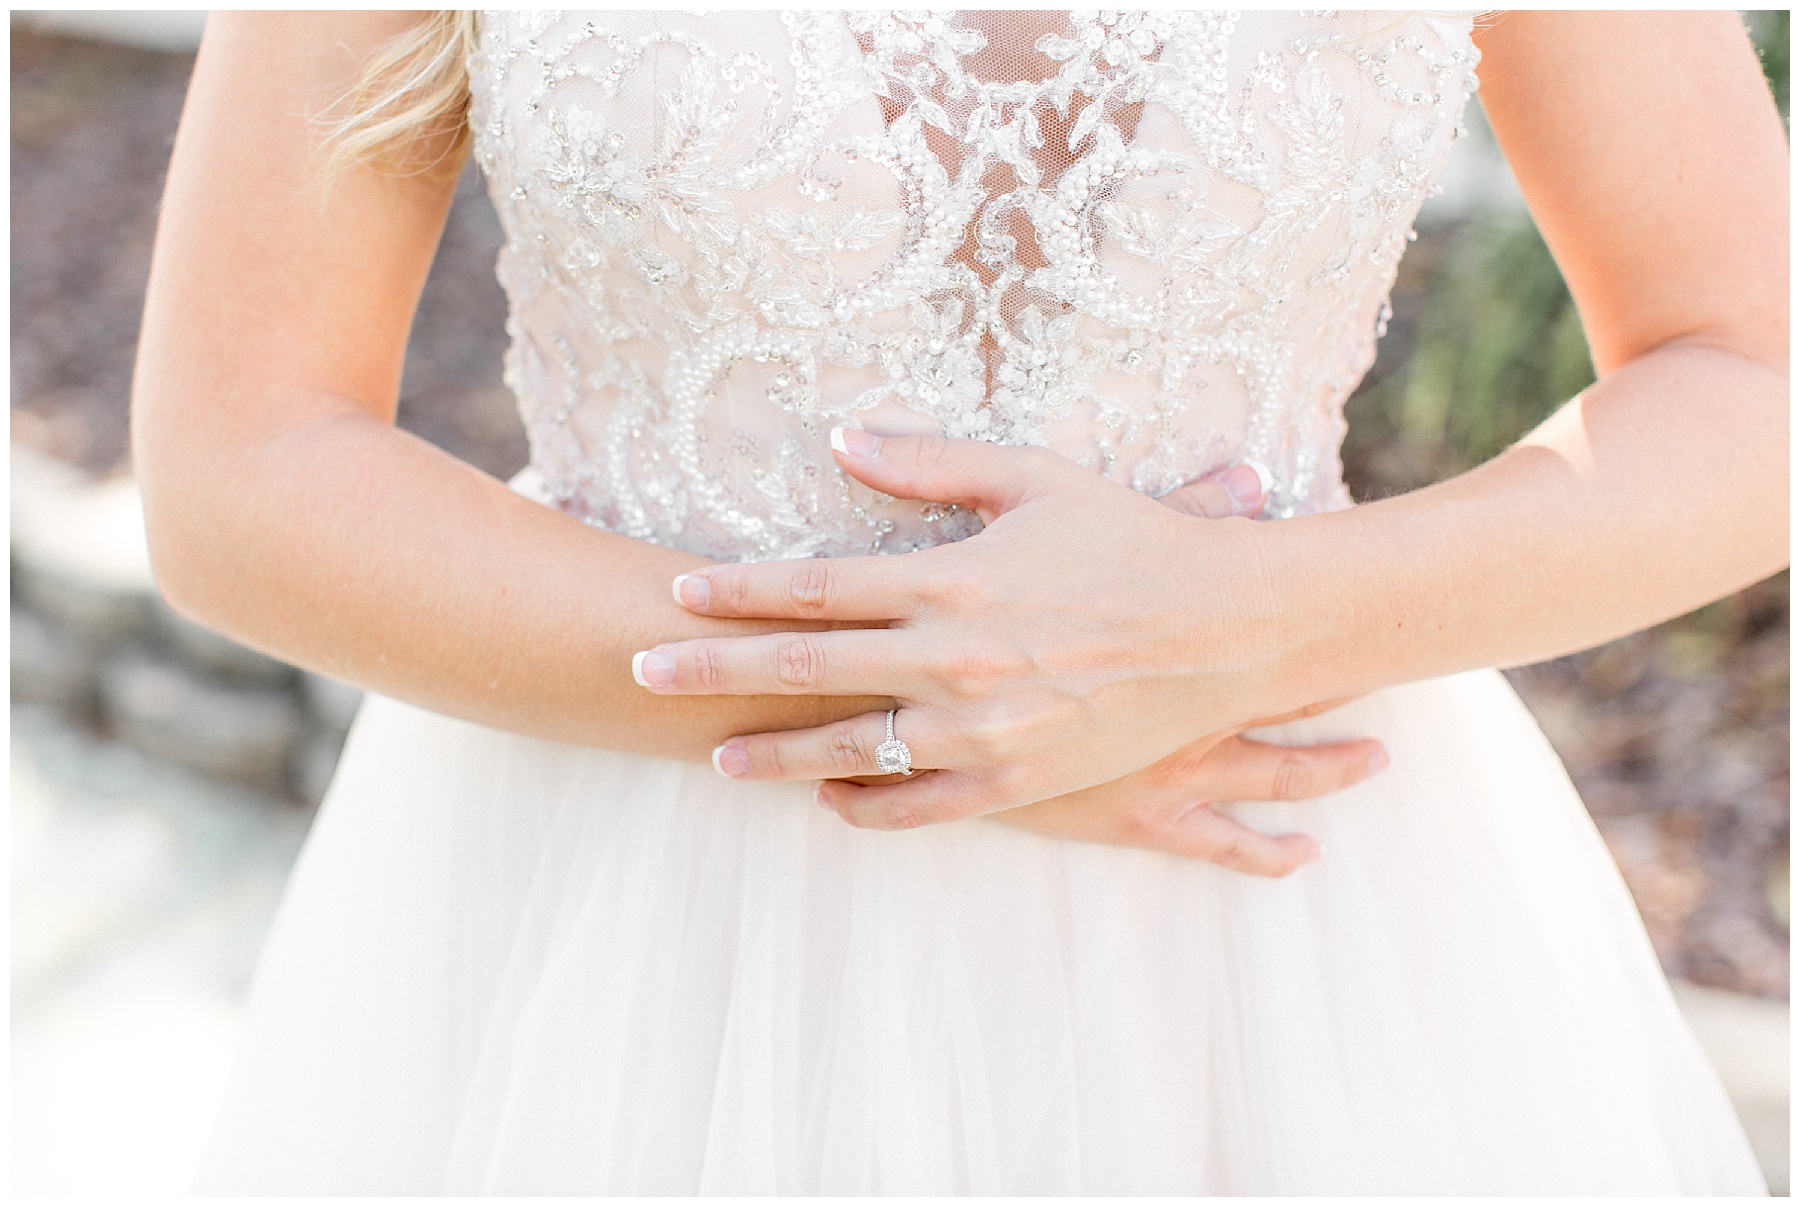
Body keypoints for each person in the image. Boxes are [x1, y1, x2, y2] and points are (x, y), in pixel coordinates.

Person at [135, 10, 1785, 1194]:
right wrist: (904, 698)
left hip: (1277, 917)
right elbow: (242, 467)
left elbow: (1755, 382)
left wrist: (1234, 622)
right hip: (633, 921)